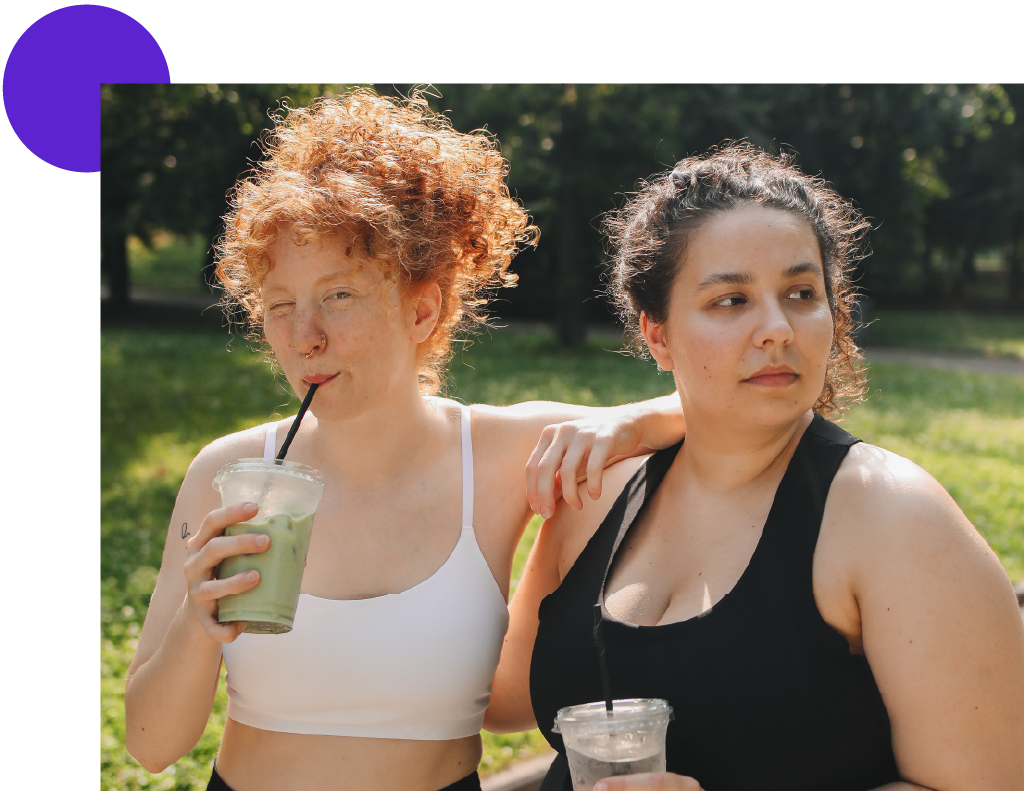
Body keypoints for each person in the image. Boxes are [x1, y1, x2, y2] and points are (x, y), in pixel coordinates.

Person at [122, 90, 686, 791]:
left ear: (422, 309)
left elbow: (713, 404)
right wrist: (196, 621)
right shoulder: (230, 473)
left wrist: (629, 423)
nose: (305, 338)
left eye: (339, 296)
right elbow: (149, 747)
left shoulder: (496, 453)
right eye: (280, 306)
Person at [485, 143, 1024, 791]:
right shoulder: (597, 495)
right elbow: (505, 700)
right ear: (657, 335)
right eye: (731, 300)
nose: (777, 328)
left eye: (801, 293)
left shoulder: (892, 516)